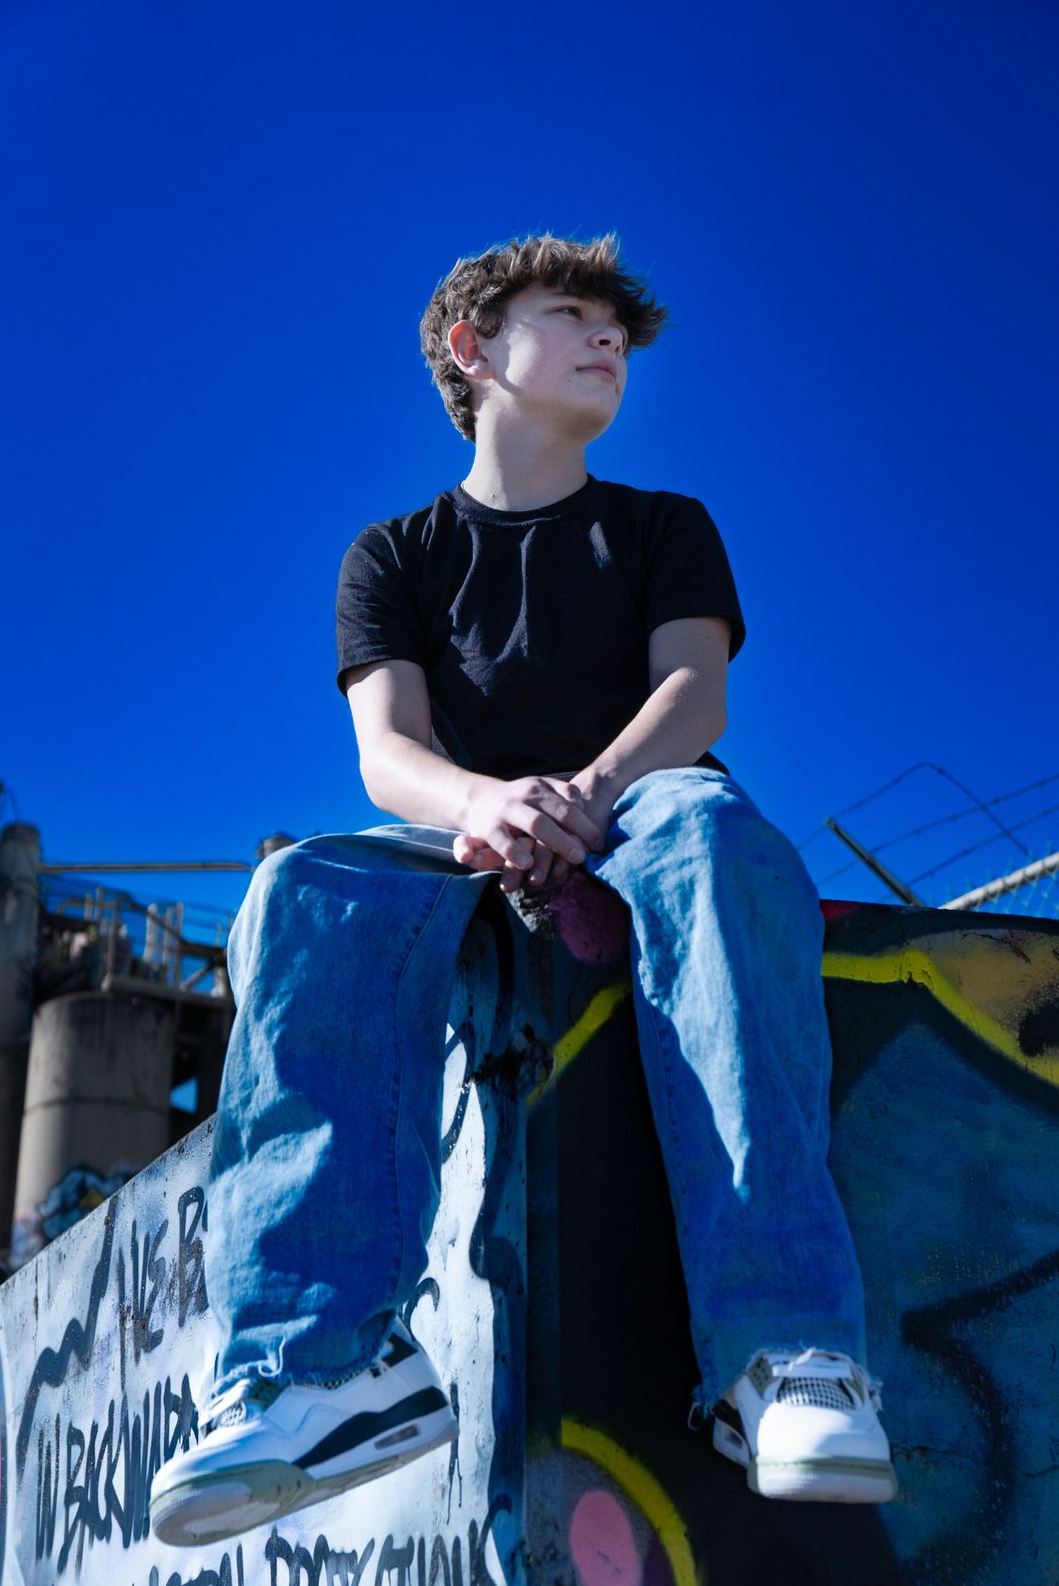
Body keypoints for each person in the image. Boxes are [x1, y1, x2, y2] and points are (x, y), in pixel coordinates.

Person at [149, 234, 896, 1548]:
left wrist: (585, 793)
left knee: (716, 834)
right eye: (572, 312)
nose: (610, 339)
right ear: (473, 348)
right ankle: (323, 1370)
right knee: (299, 888)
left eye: (619, 328)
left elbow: (694, 698)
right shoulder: (392, 554)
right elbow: (388, 756)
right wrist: (488, 806)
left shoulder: (663, 525)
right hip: (464, 827)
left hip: (643, 801)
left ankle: (784, 1354)